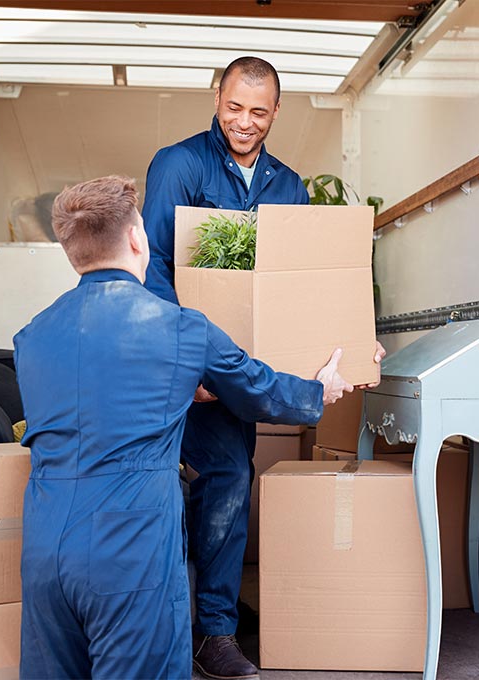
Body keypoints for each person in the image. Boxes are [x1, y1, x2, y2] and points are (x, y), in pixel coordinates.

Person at [14, 175, 353, 680]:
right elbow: (257, 388)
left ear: (72, 252)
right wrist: (317, 390)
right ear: (136, 238)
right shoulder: (180, 327)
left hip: (43, 551)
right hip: (129, 552)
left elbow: (98, 394)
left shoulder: (30, 336)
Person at [142, 56, 385, 679]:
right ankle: (178, 625)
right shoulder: (179, 165)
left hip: (246, 370)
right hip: (186, 367)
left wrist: (355, 343)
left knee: (227, 480)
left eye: (258, 112)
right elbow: (156, 270)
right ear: (216, 98)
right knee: (176, 484)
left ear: (276, 113)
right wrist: (184, 363)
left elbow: (305, 285)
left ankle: (213, 632)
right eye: (233, 108)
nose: (244, 123)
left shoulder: (289, 186)